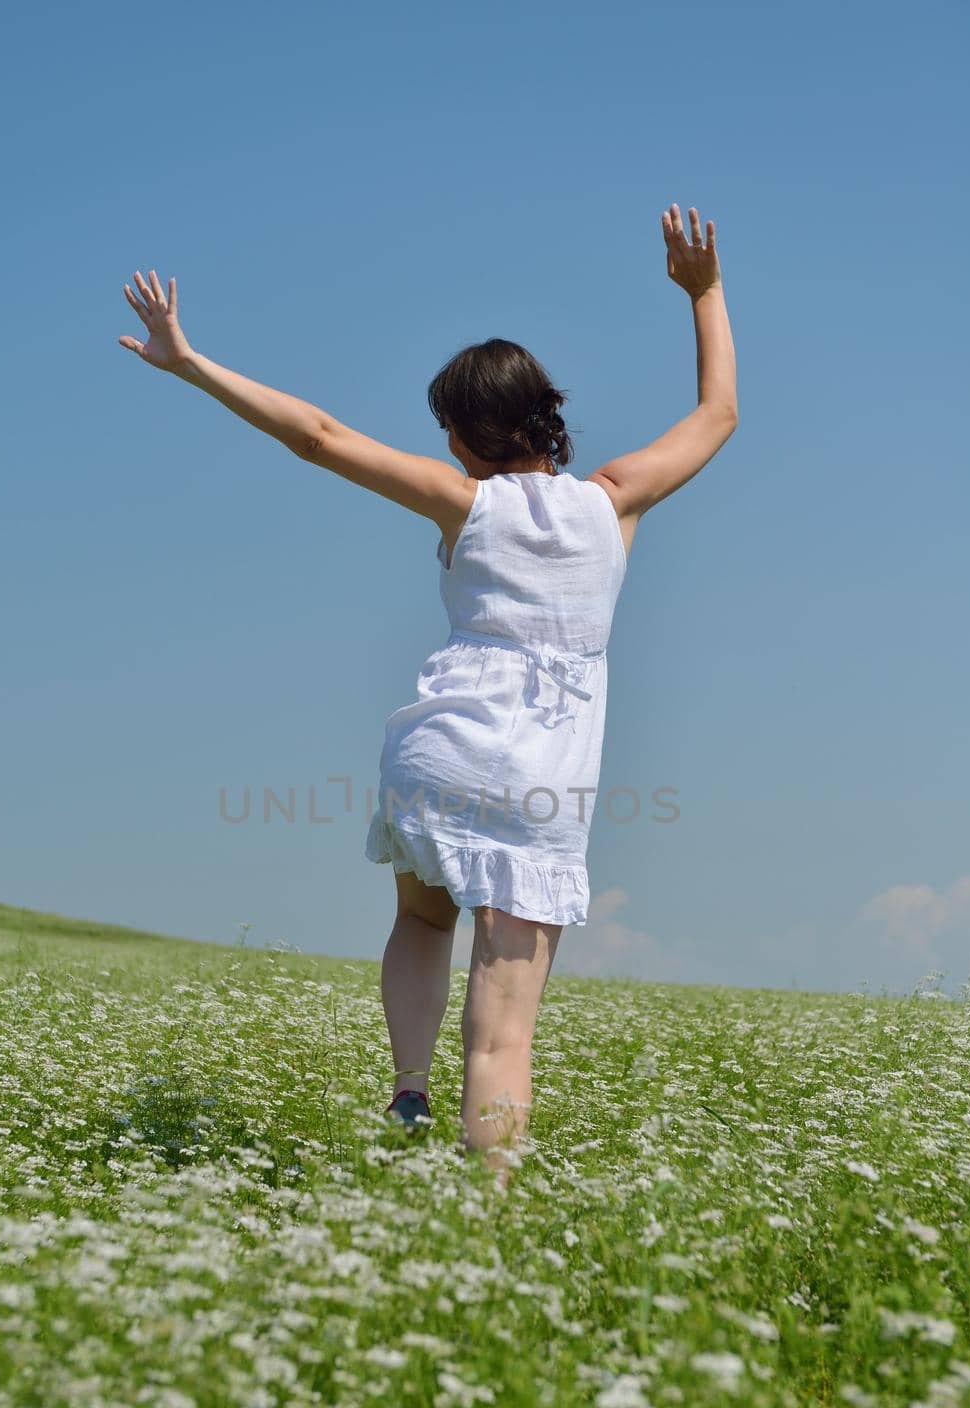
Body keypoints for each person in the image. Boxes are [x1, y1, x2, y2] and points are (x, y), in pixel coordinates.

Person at [118, 202, 738, 1190]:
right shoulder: (616, 498)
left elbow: (316, 436)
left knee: (420, 920)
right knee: (504, 1024)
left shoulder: (466, 501)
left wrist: (192, 362)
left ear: (461, 432)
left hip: (442, 752)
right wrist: (702, 290)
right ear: (544, 414)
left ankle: (408, 1084)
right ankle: (484, 1217)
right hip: (540, 776)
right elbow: (718, 415)